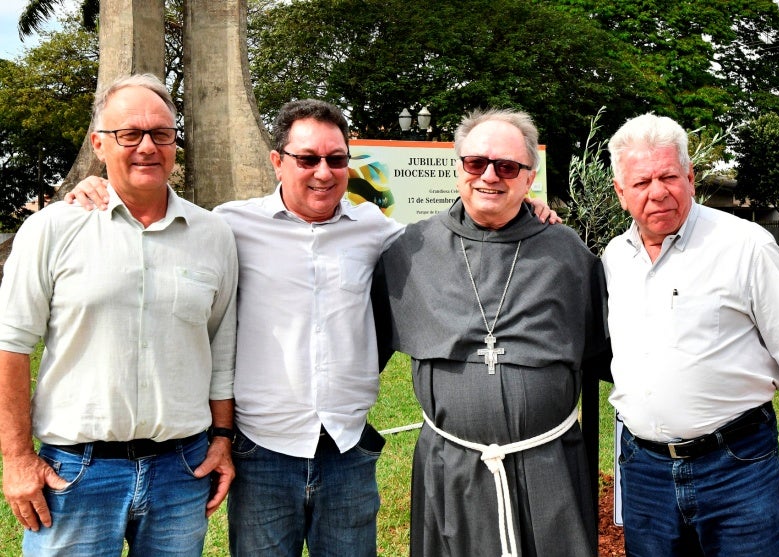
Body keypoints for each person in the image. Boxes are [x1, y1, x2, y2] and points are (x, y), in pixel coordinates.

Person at [68, 99, 557, 557]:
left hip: (347, 450)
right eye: (307, 159)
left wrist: (525, 210)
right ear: (277, 162)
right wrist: (98, 186)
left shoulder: (376, 230)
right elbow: (157, 219)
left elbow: (452, 237)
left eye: (336, 159)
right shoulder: (227, 226)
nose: (323, 172)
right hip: (261, 451)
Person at [0, 73, 238, 556]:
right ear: (99, 144)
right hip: (76, 473)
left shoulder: (213, 235)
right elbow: (11, 345)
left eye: (161, 134)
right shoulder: (52, 229)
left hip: (182, 469)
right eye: (130, 134)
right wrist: (17, 458)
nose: (147, 147)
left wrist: (222, 438)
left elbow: (221, 348)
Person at [373, 108, 610, 557]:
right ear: (458, 167)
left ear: (529, 178)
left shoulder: (566, 252)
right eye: (476, 162)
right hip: (450, 467)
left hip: (549, 467)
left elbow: (608, 351)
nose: (489, 176)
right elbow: (362, 347)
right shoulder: (411, 250)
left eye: (506, 167)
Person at [602, 113, 779, 557]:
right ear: (620, 192)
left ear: (690, 177)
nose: (657, 192)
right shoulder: (614, 257)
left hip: (737, 469)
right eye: (642, 182)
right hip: (644, 473)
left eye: (669, 176)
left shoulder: (746, 245)